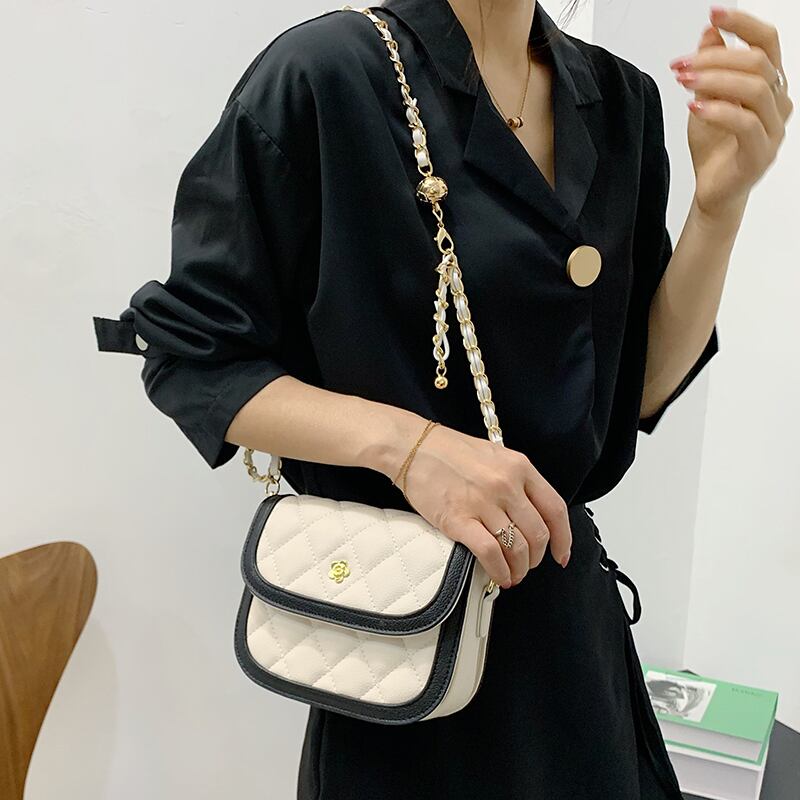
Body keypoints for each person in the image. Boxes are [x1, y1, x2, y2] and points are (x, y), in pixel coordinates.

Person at [92, 1, 793, 797]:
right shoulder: (330, 77)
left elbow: (635, 389)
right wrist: (410, 449)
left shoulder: (618, 99)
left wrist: (718, 209)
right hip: (400, 651)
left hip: (569, 651)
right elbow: (191, 355)